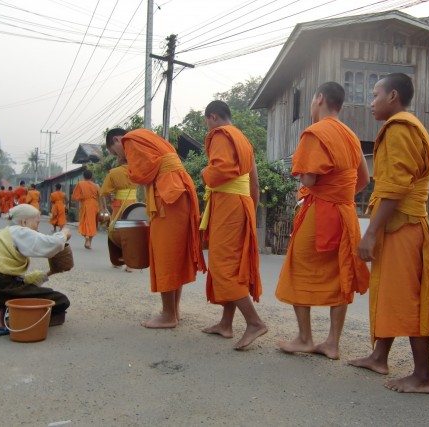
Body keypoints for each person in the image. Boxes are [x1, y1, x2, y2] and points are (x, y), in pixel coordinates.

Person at [348, 73, 429, 393]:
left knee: (409, 298)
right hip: (403, 223)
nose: (371, 101)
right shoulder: (404, 126)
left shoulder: (399, 128)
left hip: (402, 224)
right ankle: (380, 355)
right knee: (391, 292)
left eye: (375, 94)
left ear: (393, 95)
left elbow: (394, 187)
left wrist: (371, 232)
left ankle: (423, 376)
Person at [275, 82, 371, 359]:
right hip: (346, 213)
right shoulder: (351, 135)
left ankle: (305, 338)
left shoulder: (316, 133)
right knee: (341, 274)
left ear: (319, 99)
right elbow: (364, 179)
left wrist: (315, 182)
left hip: (320, 213)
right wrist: (339, 195)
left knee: (297, 268)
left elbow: (309, 179)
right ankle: (332, 343)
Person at [107, 127, 205, 328]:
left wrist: (128, 167)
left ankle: (168, 315)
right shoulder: (147, 136)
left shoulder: (130, 140)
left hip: (169, 194)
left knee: (164, 253)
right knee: (174, 252)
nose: (120, 156)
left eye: (115, 152)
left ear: (117, 140)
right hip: (179, 190)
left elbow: (143, 173)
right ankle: (174, 311)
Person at [200, 100, 267, 350]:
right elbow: (255, 183)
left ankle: (254, 322)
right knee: (231, 263)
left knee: (222, 266)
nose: (208, 127)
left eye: (207, 121)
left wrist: (204, 174)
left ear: (213, 117)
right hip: (241, 204)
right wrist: (250, 208)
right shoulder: (243, 140)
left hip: (228, 204)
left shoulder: (221, 134)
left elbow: (219, 171)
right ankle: (226, 324)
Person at [0, 204, 71, 332]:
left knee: (20, 289)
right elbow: (53, 244)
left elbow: (19, 282)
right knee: (60, 300)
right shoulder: (19, 231)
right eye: (37, 223)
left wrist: (50, 272)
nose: (38, 228)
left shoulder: (3, 235)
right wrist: (64, 233)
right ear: (24, 222)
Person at [99, 154, 140, 272]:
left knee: (115, 232)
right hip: (133, 205)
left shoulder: (114, 172)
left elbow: (104, 192)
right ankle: (130, 265)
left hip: (119, 205)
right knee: (132, 233)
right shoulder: (136, 171)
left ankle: (118, 261)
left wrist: (110, 201)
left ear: (120, 159)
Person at [71, 169, 101, 249]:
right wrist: (103, 208)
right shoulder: (96, 185)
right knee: (92, 223)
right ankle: (89, 242)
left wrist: (81, 200)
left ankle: (86, 237)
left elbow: (75, 197)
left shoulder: (80, 184)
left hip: (85, 204)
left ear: (83, 176)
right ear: (92, 176)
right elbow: (100, 197)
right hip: (94, 205)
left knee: (85, 222)